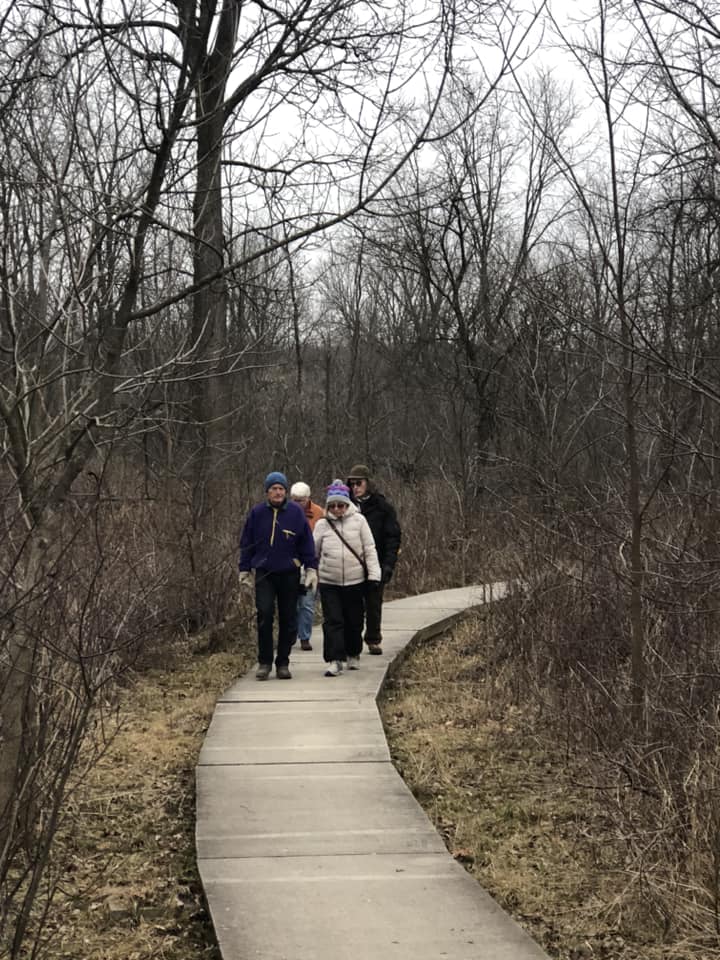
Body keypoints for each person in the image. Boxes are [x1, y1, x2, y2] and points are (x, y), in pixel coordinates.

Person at [238, 471, 318, 680]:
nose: (277, 492)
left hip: (289, 572)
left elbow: (306, 542)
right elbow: (247, 542)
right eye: (274, 488)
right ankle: (264, 662)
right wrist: (244, 569)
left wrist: (311, 568)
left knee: (288, 618)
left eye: (281, 489)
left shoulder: (295, 513)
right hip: (264, 572)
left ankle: (283, 662)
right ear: (267, 491)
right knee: (264, 614)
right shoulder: (257, 513)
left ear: (285, 492)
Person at [313, 481, 381, 676]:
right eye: (332, 506)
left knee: (354, 620)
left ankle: (353, 652)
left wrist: (374, 575)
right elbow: (312, 552)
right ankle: (335, 659)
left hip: (355, 580)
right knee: (333, 621)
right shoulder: (322, 525)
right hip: (329, 581)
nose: (337, 509)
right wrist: (307, 574)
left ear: (347, 504)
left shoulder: (359, 521)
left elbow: (369, 549)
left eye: (341, 505)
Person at [346, 463, 401, 655]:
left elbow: (393, 537)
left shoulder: (382, 507)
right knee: (353, 606)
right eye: (352, 484)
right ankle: (352, 641)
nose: (355, 487)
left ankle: (373, 638)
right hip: (351, 563)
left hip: (376, 561)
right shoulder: (344, 506)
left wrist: (388, 565)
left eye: (359, 483)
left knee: (373, 603)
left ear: (368, 483)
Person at [289, 481, 325, 651]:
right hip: (290, 563)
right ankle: (291, 633)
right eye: (295, 500)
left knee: (307, 603)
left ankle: (304, 637)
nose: (298, 504)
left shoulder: (319, 513)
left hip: (311, 562)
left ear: (308, 498)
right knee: (290, 602)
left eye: (301, 500)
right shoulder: (285, 512)